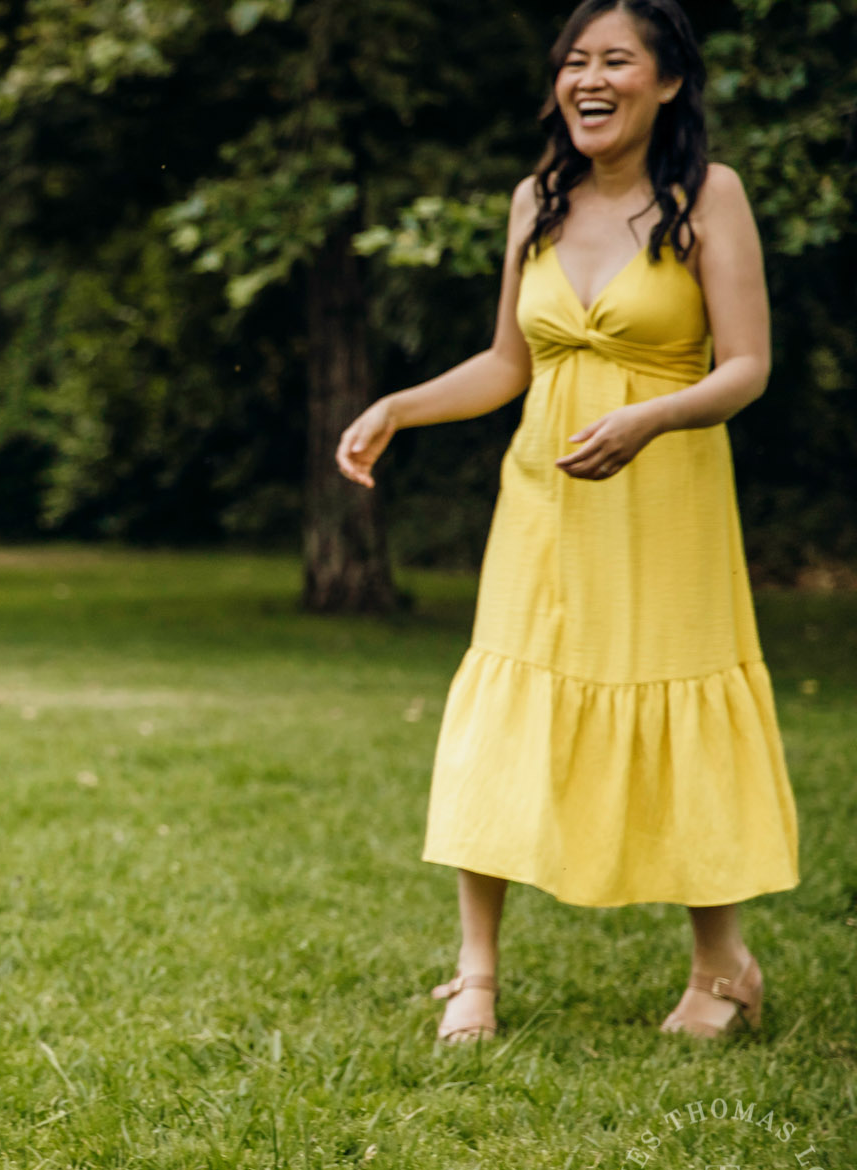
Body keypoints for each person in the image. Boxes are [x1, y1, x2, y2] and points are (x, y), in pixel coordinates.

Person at [336, 0, 795, 1043]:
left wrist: (647, 416)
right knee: (506, 702)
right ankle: (476, 977)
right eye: (572, 62)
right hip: (543, 501)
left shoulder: (707, 196)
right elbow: (508, 363)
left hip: (667, 494)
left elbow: (745, 368)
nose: (587, 79)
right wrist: (397, 405)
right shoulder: (535, 198)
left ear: (665, 82)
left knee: (676, 697)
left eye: (614, 61)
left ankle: (719, 967)